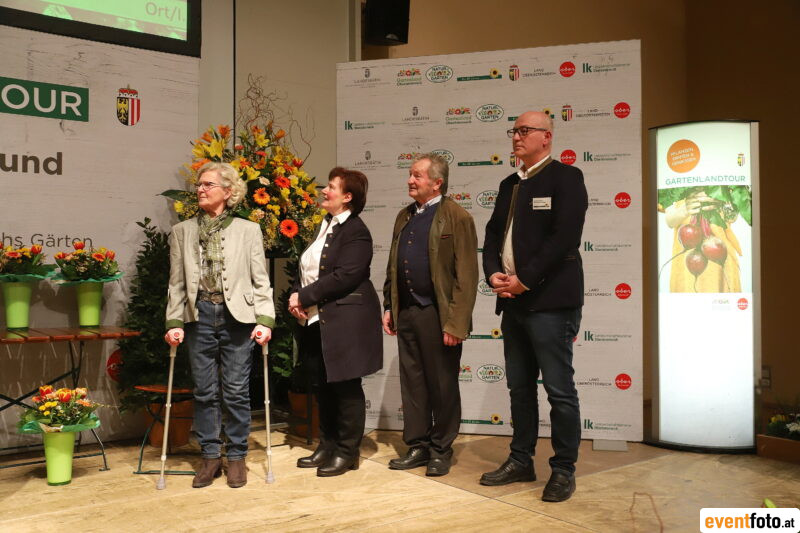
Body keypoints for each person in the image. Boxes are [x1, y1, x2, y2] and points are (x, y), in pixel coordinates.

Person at [481, 111, 588, 502]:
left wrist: (525, 279)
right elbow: (492, 236)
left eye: (525, 131)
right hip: (513, 303)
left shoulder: (566, 178)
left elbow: (564, 238)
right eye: (514, 130)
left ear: (547, 137)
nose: (517, 137)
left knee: (559, 391)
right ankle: (520, 460)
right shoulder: (509, 184)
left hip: (551, 302)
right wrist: (493, 273)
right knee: (520, 388)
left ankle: (563, 470)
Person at [164, 161, 274, 489]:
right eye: (199, 185)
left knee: (236, 390)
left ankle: (237, 456)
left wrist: (265, 318)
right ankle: (210, 456)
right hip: (198, 314)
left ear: (228, 192)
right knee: (204, 390)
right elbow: (176, 282)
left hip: (237, 316)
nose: (200, 189)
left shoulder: (248, 230)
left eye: (208, 184)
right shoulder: (182, 231)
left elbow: (260, 279)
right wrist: (174, 320)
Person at [382, 153, 478, 477]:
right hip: (408, 313)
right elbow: (393, 265)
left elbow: (467, 275)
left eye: (417, 176)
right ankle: (418, 445)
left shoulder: (457, 216)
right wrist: (388, 306)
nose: (410, 180)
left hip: (439, 316)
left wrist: (456, 324)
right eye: (410, 174)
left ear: (437, 183)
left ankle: (441, 450)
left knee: (443, 385)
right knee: (413, 384)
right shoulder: (404, 216)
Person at [288, 167, 382, 476]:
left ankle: (347, 452)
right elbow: (309, 269)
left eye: (331, 187)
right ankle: (327, 445)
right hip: (318, 318)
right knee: (322, 384)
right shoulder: (326, 224)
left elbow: (346, 276)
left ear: (347, 196)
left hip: (346, 319)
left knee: (345, 385)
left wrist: (303, 297)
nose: (324, 191)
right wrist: (298, 296)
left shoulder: (356, 230)